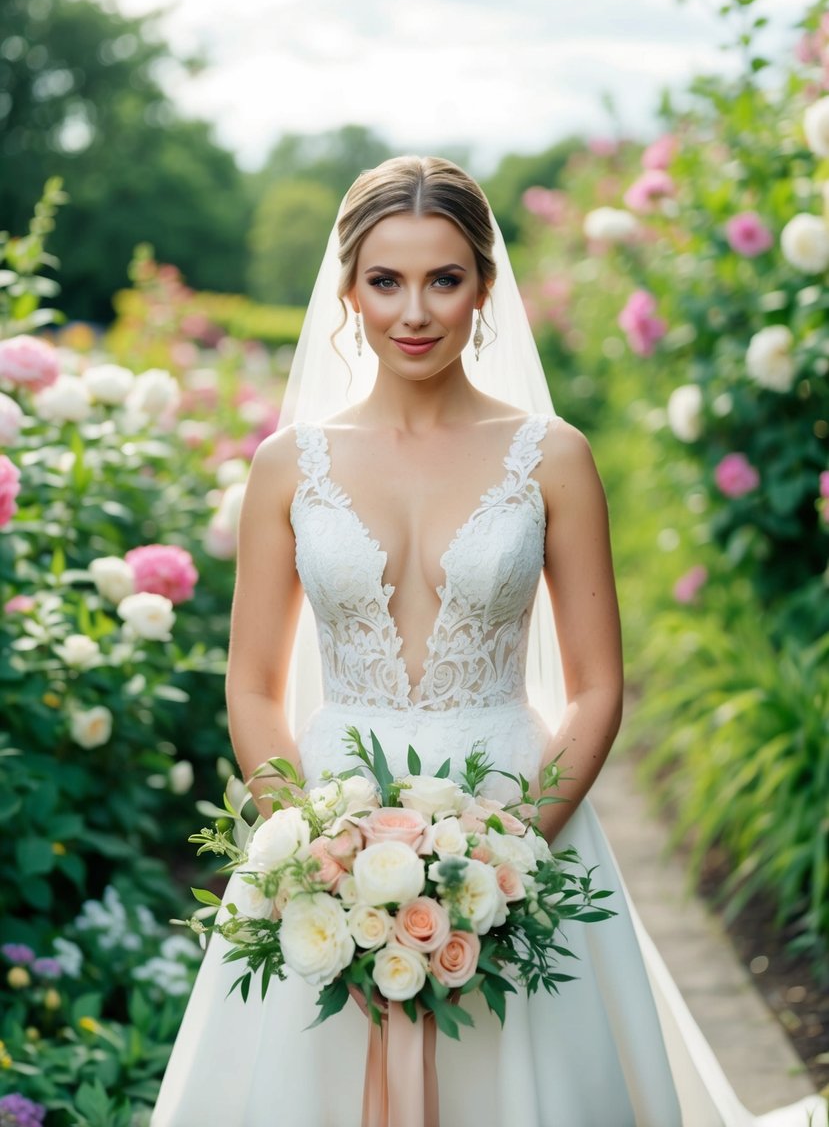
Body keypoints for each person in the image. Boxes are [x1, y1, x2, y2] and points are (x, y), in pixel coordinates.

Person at [152, 157, 826, 1126]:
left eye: (443, 278)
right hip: (334, 818)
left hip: (517, 809)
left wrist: (510, 851)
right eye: (385, 280)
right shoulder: (284, 468)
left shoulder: (552, 456)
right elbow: (254, 684)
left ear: (485, 287)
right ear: (347, 289)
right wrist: (308, 851)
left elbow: (596, 686)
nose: (413, 310)